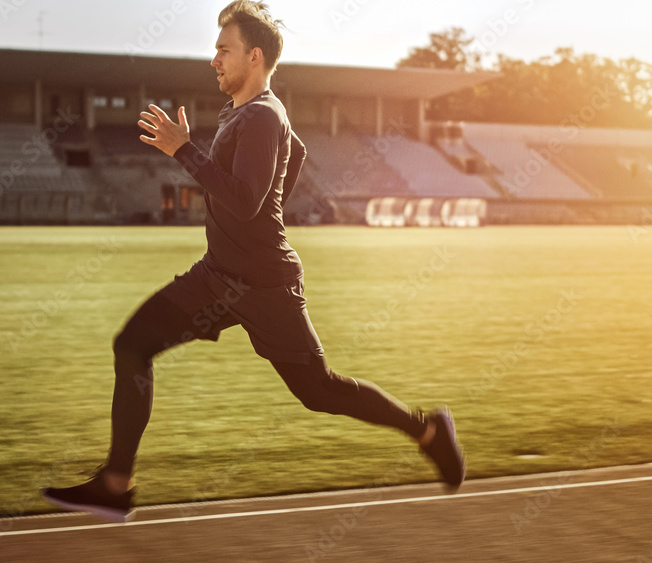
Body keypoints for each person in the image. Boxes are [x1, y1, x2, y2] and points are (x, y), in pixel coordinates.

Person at [41, 0, 464, 523]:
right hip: (218, 276)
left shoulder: (262, 116)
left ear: (255, 57)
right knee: (133, 345)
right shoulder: (247, 114)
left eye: (224, 49)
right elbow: (298, 153)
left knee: (319, 390)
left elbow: (245, 200)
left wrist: (184, 151)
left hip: (264, 285)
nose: (214, 59)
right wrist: (260, 214)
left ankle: (428, 430)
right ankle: (115, 483)